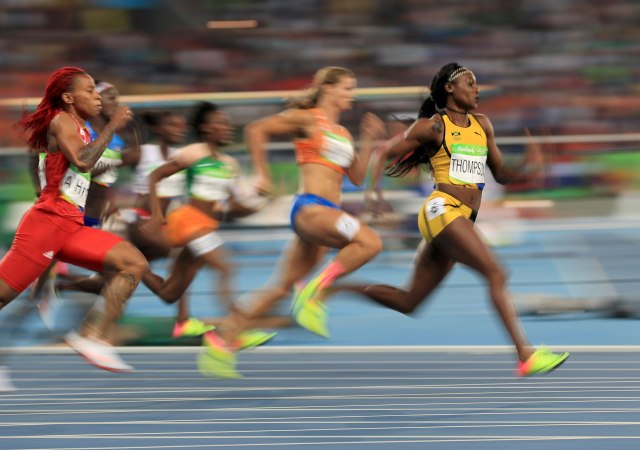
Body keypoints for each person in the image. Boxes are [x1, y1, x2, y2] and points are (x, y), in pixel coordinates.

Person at [335, 62, 569, 377]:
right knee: (496, 273)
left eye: (477, 84)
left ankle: (335, 288)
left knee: (409, 302)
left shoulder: (483, 125)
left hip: (463, 218)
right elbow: (382, 153)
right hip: (441, 210)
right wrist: (373, 195)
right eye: (470, 83)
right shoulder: (434, 127)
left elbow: (500, 175)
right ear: (450, 88)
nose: (477, 89)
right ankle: (525, 355)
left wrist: (526, 165)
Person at [203, 66, 387, 378]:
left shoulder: (342, 133)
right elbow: (256, 130)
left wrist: (368, 142)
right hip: (311, 209)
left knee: (280, 288)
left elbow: (355, 178)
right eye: (347, 88)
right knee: (371, 242)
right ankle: (313, 290)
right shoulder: (308, 118)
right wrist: (263, 173)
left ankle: (221, 341)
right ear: (327, 88)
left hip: (325, 215)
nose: (351, 95)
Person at [0, 66, 148, 373]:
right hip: (46, 226)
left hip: (71, 226)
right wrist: (114, 127)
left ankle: (91, 337)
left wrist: (119, 164)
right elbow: (82, 160)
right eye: (90, 91)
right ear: (68, 97)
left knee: (133, 263)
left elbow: (84, 167)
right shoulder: (61, 120)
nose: (97, 97)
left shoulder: (81, 129)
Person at [141, 102, 273, 376]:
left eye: (227, 123)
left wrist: (261, 199)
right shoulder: (194, 152)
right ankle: (230, 333)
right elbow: (155, 176)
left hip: (206, 225)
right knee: (226, 267)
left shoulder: (230, 165)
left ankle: (178, 317)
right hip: (187, 220)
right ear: (205, 128)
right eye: (219, 123)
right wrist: (155, 215)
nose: (226, 128)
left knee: (171, 290)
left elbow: (237, 207)